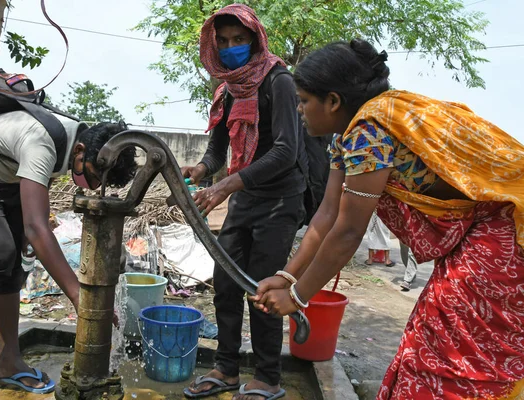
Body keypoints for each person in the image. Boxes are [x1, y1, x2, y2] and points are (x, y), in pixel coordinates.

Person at [251, 38, 524, 399]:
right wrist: (287, 276)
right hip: (482, 230)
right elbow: (327, 216)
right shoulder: (347, 137)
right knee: (432, 339)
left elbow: (349, 231)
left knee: (451, 352)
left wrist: (299, 296)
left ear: (332, 101)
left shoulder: (368, 132)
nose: (299, 110)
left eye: (303, 101)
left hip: (502, 230)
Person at [0, 111, 135, 393]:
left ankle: (9, 360)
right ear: (80, 151)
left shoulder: (74, 142)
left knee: (15, 265)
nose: (92, 185)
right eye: (92, 175)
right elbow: (37, 229)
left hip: (8, 177)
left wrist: (32, 229)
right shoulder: (42, 143)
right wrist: (78, 295)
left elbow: (40, 190)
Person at [181, 4, 306, 399]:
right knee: (225, 283)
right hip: (245, 196)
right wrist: (202, 169)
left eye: (239, 40)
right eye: (223, 41)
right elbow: (219, 150)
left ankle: (268, 377)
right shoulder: (228, 89)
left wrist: (227, 185)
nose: (231, 47)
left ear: (254, 39)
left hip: (280, 198)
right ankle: (227, 369)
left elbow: (287, 150)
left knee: (262, 287)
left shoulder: (278, 81)